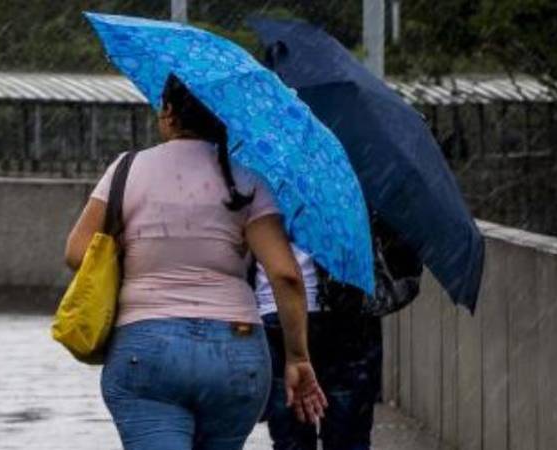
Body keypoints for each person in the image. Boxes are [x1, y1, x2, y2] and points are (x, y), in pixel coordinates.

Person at [64, 75, 326, 450]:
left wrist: (135, 250)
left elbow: (77, 251)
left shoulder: (127, 169)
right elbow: (286, 275)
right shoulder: (247, 179)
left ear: (168, 113)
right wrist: (298, 357)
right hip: (235, 352)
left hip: (147, 347)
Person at [255, 221, 421, 450]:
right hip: (346, 311)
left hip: (276, 310)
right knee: (349, 437)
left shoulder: (257, 186)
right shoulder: (355, 187)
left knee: (291, 440)